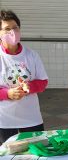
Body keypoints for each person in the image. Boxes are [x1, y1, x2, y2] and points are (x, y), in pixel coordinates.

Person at [0, 10, 48, 144]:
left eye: (15, 28)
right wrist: (7, 93)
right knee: (7, 159)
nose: (12, 32)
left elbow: (43, 82)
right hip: (4, 121)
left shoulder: (31, 55)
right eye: (7, 29)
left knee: (38, 154)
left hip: (31, 118)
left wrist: (30, 87)